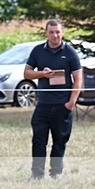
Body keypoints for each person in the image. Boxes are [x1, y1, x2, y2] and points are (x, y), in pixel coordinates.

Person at [24, 19, 82, 179]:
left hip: (62, 105)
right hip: (43, 104)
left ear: (62, 33)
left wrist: (71, 103)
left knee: (60, 140)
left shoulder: (70, 52)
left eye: (57, 32)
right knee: (38, 140)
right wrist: (42, 73)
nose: (55, 35)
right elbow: (27, 73)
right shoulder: (38, 51)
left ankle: (56, 173)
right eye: (51, 32)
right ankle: (37, 174)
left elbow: (78, 79)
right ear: (46, 33)